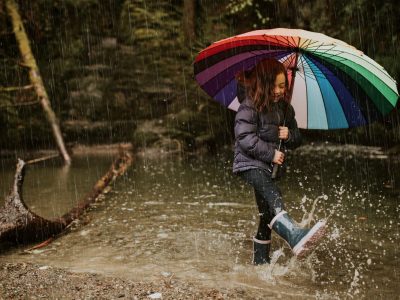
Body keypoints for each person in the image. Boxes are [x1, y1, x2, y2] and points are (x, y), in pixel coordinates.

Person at [233, 58, 326, 265]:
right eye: (274, 85)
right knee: (273, 194)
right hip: (249, 164)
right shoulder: (249, 105)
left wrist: (289, 135)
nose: (278, 90)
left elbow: (297, 139)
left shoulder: (285, 109)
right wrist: (271, 154)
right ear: (264, 84)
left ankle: (260, 263)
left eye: (283, 86)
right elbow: (245, 138)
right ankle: (294, 234)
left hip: (268, 167)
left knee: (266, 214)